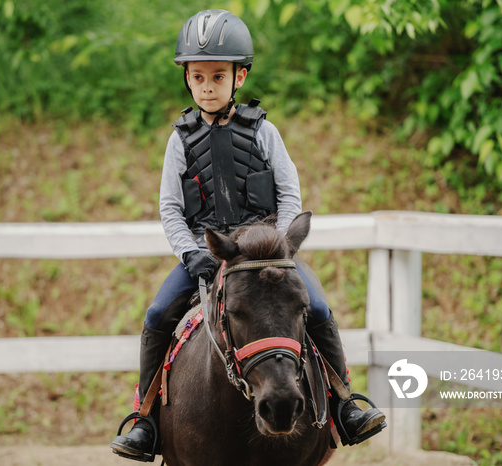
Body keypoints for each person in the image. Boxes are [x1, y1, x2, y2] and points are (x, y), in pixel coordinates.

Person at [111, 9, 385, 461]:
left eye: (218, 76)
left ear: (240, 76)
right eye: (197, 77)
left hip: (268, 256)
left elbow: (290, 193)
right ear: (187, 79)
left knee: (316, 307)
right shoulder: (179, 140)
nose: (207, 86)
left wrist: (280, 246)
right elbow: (170, 208)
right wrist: (188, 253)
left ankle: (344, 404)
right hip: (208, 254)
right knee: (158, 314)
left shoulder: (264, 130)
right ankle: (144, 419)